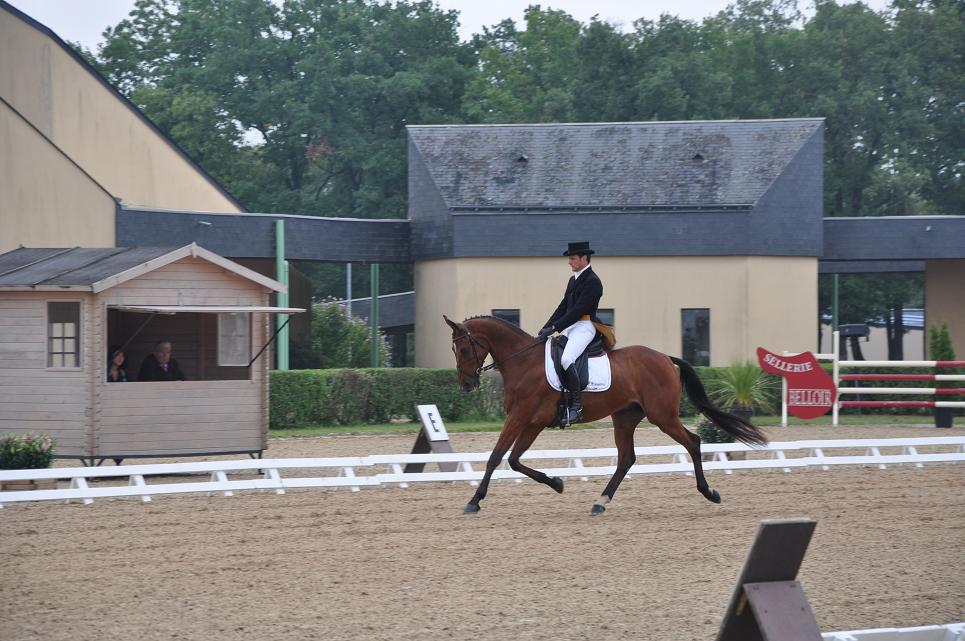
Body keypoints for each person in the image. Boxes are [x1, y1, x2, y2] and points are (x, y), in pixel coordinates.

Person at [537, 241, 604, 425]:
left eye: (573, 258)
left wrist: (555, 328)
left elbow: (577, 311)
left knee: (567, 359)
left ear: (584, 258)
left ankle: (577, 406)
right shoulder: (573, 279)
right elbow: (563, 307)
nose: (569, 262)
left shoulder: (593, 282)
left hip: (584, 326)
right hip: (570, 327)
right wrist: (546, 327)